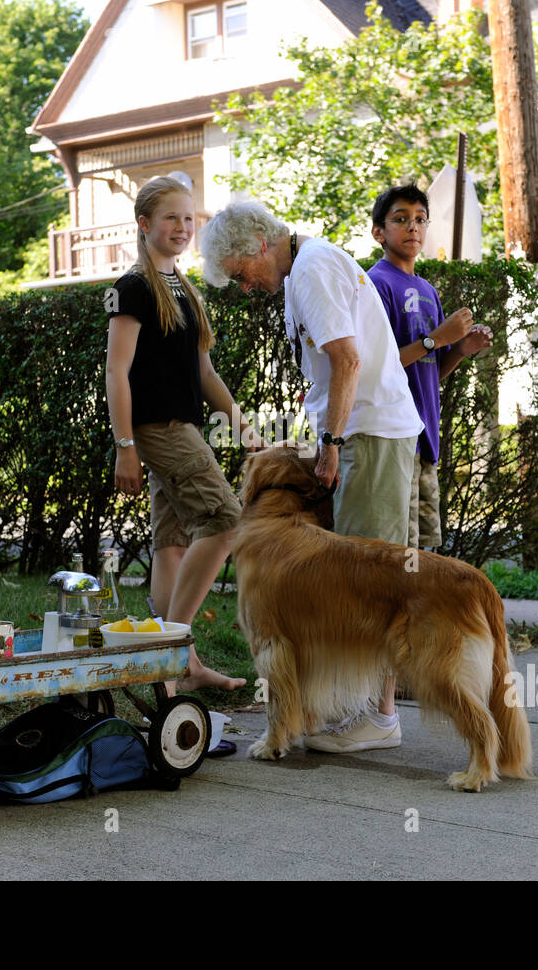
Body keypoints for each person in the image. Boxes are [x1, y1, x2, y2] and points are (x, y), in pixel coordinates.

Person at [199, 202, 421, 752]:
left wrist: (331, 443)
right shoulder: (304, 270)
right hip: (364, 433)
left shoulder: (314, 267)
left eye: (239, 274)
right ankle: (337, 710)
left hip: (368, 438)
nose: (244, 287)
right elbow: (334, 365)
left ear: (258, 246)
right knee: (353, 576)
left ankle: (379, 716)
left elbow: (347, 360)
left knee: (371, 580)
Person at [105, 176, 260, 694]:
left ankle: (181, 671)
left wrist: (242, 425)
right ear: (145, 224)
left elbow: (205, 373)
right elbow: (117, 372)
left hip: (185, 425)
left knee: (171, 542)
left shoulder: (184, 289)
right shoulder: (132, 287)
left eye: (189, 218)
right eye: (171, 217)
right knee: (225, 519)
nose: (183, 226)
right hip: (159, 430)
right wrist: (125, 445)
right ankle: (168, 647)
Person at [368, 184, 492, 551]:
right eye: (401, 219)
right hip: (393, 436)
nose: (413, 228)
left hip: (426, 436)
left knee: (425, 546)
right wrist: (437, 338)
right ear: (379, 232)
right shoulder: (376, 284)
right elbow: (378, 365)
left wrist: (461, 348)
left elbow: (430, 372)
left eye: (420, 219)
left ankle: (420, 611)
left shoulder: (428, 290)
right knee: (398, 545)